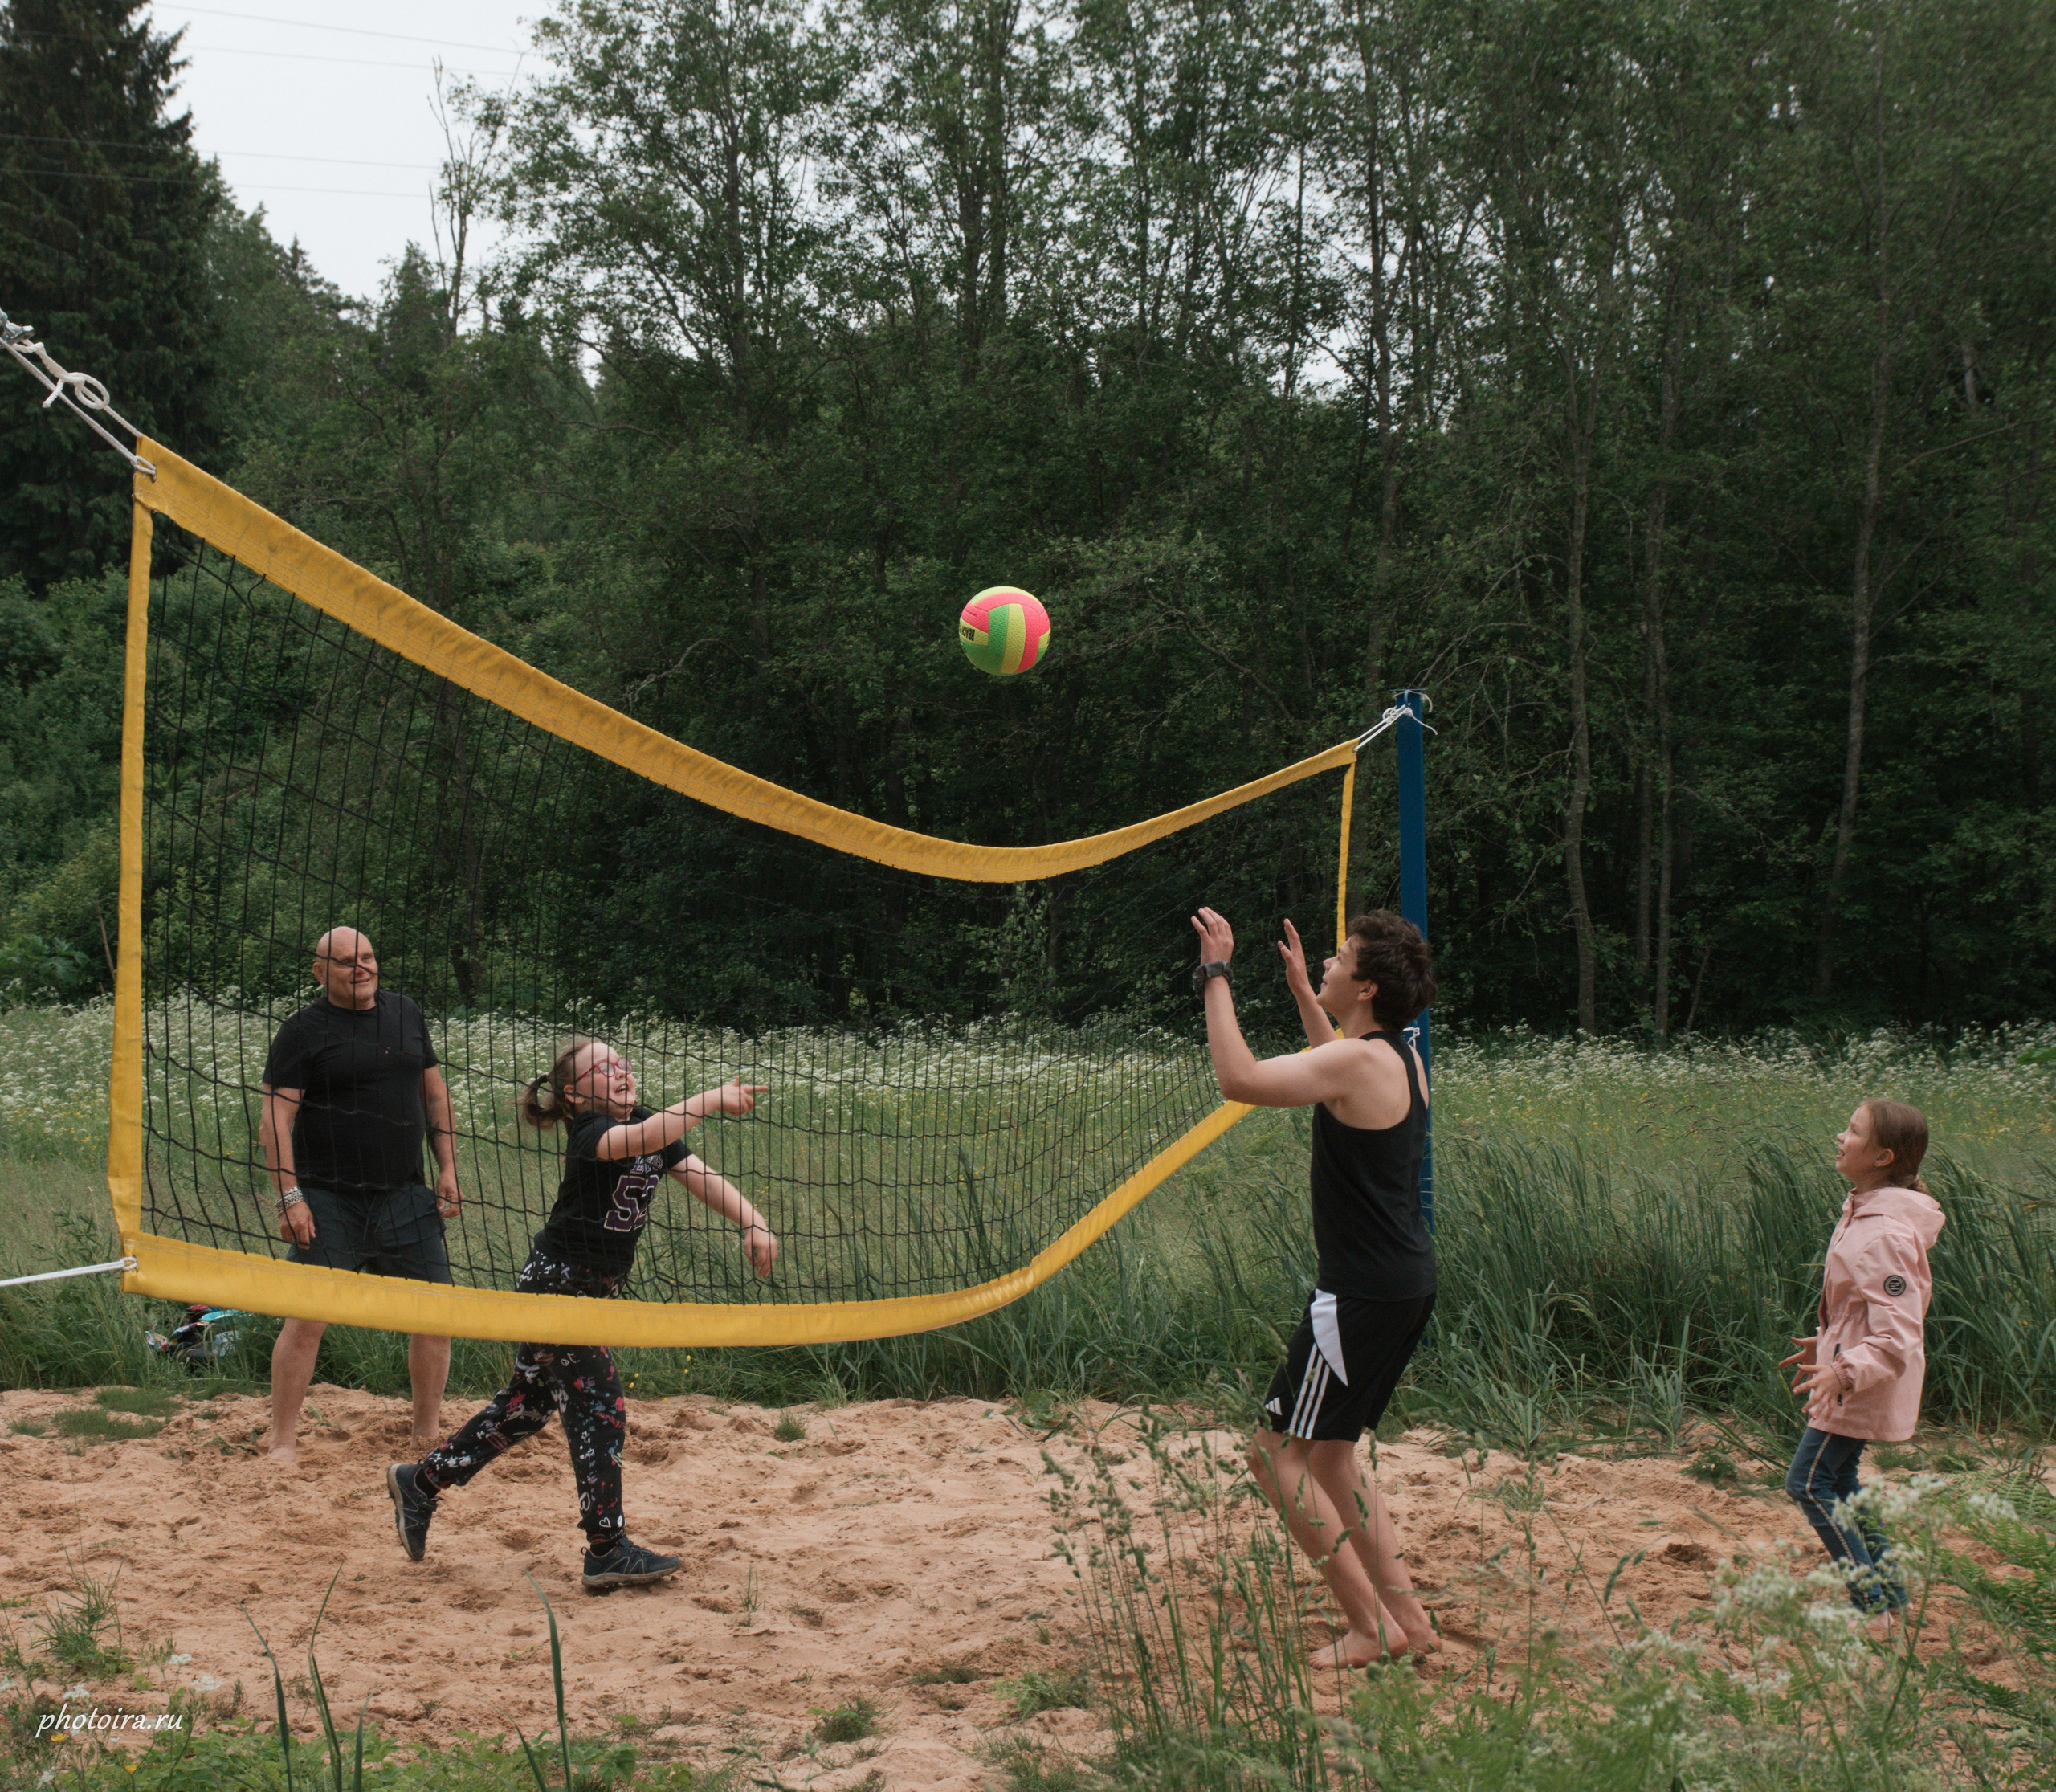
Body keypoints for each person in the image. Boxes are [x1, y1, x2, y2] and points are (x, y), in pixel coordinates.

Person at [386, 1039, 776, 1593]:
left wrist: (752, 1220)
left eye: (623, 1062)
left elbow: (696, 1171)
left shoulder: (651, 1124)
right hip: (557, 1289)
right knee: (602, 1407)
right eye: (603, 1066)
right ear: (574, 1093)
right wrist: (711, 1097)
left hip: (592, 1293)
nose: (620, 1070)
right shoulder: (592, 1134)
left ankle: (419, 1482)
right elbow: (643, 1139)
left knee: (522, 1410)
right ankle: (607, 1548)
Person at [1190, 904, 1439, 1667]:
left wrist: (1215, 974)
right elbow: (1336, 1068)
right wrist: (1304, 990)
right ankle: (1412, 1622)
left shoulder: (1356, 1063)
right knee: (1331, 1456)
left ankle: (1370, 1628)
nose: (1326, 962)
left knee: (1274, 1458)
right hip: (1403, 1282)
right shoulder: (1395, 1055)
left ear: (1364, 986)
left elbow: (1238, 1079)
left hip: (1357, 1293)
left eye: (1337, 958)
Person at [260, 926, 460, 1465]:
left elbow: (435, 1095)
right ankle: (282, 1441)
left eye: (368, 957)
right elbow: (275, 1118)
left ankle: (424, 1434)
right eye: (346, 961)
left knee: (436, 1315)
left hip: (404, 1193)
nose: (361, 968)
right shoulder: (302, 1031)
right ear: (320, 971)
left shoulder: (406, 1013)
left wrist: (447, 1167)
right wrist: (290, 1197)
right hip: (327, 1198)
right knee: (307, 1319)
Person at [1781, 1100, 1944, 1630]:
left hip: (1861, 1383)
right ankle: (1890, 1595)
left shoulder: (1886, 1232)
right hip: (1852, 1372)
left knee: (1808, 1482)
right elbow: (1861, 1310)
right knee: (1841, 1478)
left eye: (1853, 1130)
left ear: (1883, 1156)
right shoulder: (1866, 1211)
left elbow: (1897, 1330)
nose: (1840, 1136)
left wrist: (1844, 1369)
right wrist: (1828, 1345)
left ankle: (1871, 1606)